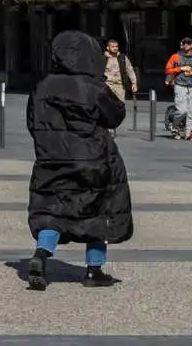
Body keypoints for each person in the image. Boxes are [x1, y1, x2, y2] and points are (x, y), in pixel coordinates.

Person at [25, 30, 132, 291]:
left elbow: (32, 122)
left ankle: (41, 254)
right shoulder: (93, 87)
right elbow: (115, 116)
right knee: (98, 209)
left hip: (52, 158)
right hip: (91, 158)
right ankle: (94, 270)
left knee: (52, 208)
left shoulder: (42, 85)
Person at [165, 37, 192, 139]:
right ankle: (174, 126)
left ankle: (188, 133)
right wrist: (180, 68)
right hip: (180, 85)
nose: (186, 45)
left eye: (188, 43)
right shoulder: (175, 56)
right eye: (184, 43)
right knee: (182, 110)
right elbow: (167, 70)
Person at [99, 39, 137, 104]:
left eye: (116, 46)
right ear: (107, 47)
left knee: (120, 106)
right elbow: (97, 71)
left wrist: (134, 83)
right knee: (107, 106)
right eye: (113, 47)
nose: (115, 48)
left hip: (120, 86)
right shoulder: (103, 58)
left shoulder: (122, 58)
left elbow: (130, 70)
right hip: (107, 85)